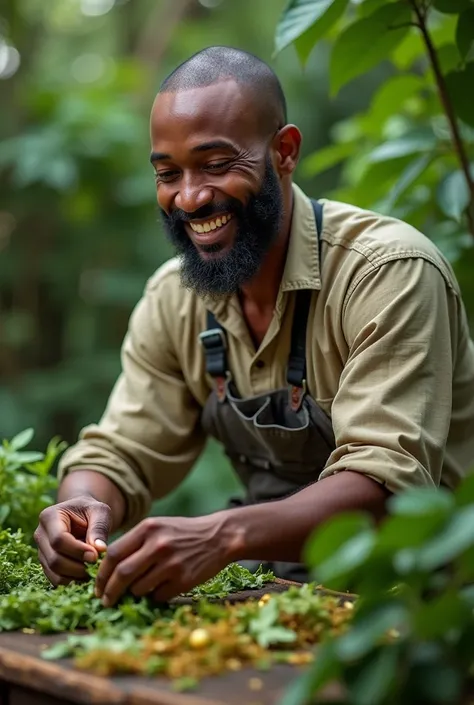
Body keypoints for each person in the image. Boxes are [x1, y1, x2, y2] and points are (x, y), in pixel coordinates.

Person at [34, 46, 474, 608]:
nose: (189, 198)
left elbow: (384, 487)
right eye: (168, 174)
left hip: (422, 606)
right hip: (278, 596)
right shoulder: (174, 299)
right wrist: (79, 507)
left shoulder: (387, 273)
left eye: (216, 165)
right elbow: (120, 451)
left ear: (284, 152)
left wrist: (222, 535)